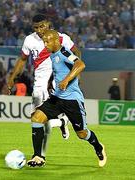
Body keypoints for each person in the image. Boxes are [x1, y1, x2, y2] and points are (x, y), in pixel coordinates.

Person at [27, 29, 107, 168]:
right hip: (57, 97)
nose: (45, 44)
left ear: (56, 41)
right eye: (44, 41)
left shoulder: (65, 53)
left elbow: (80, 64)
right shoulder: (52, 54)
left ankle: (98, 146)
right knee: (36, 118)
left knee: (82, 134)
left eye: (47, 41)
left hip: (72, 101)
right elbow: (58, 68)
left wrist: (65, 80)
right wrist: (50, 80)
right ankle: (38, 156)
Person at [7, 14, 81, 158]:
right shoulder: (29, 40)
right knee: (37, 118)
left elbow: (76, 53)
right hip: (39, 84)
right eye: (36, 27)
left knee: (39, 118)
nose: (40, 30)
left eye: (42, 26)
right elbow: (22, 60)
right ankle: (61, 122)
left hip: (56, 82)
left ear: (48, 24)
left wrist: (74, 75)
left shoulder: (61, 38)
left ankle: (40, 156)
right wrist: (12, 78)